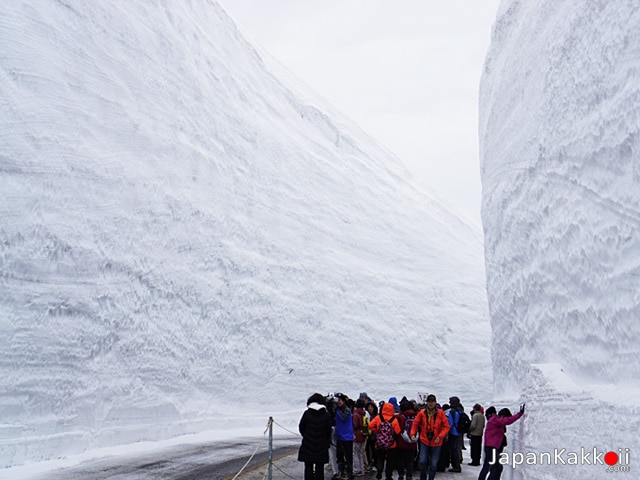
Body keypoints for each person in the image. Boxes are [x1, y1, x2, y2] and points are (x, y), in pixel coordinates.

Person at [478, 404, 525, 480]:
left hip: (490, 447)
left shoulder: (494, 420)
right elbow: (508, 421)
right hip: (491, 448)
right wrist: (519, 414)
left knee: (488, 467)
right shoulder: (495, 420)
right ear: (503, 416)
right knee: (497, 467)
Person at [410, 394, 450, 480]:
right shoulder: (422, 413)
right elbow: (415, 424)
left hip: (436, 441)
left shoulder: (440, 413)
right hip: (424, 440)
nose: (431, 404)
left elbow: (447, 426)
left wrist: (440, 436)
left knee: (434, 463)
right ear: (427, 402)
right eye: (429, 402)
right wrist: (412, 434)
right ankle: (423, 478)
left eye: (432, 401)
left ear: (435, 402)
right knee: (422, 461)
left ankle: (431, 478)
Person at [298, 393, 333, 480]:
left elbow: (301, 427)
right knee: (319, 468)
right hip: (321, 445)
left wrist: (306, 436)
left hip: (308, 444)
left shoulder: (307, 413)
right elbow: (329, 430)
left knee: (308, 468)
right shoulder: (325, 415)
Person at [369, 401, 401, 480]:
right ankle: (388, 476)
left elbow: (370, 425)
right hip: (391, 444)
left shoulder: (378, 418)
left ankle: (379, 472)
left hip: (380, 443)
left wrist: (377, 432)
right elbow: (398, 431)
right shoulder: (394, 419)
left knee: (380, 458)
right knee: (390, 461)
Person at [396, 400, 418, 480]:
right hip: (412, 441)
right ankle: (409, 475)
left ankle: (401, 475)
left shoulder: (399, 417)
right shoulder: (416, 416)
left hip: (401, 442)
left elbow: (397, 429)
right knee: (410, 460)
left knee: (400, 460)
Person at [335, 393, 355, 480]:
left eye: (339, 400)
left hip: (347, 437)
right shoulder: (336, 410)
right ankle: (341, 471)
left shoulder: (347, 409)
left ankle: (349, 473)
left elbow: (344, 418)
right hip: (339, 436)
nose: (338, 402)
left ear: (343, 401)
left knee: (348, 456)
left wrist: (336, 410)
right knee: (339, 456)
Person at [446, 396, 463, 473]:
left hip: (453, 432)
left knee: (453, 450)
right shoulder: (460, 410)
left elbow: (450, 424)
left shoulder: (452, 412)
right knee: (456, 449)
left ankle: (456, 466)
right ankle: (457, 465)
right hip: (459, 432)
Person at [352, 399, 368, 475]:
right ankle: (362, 469)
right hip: (363, 434)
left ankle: (356, 469)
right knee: (360, 453)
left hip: (357, 435)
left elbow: (355, 425)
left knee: (355, 453)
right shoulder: (363, 413)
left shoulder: (356, 414)